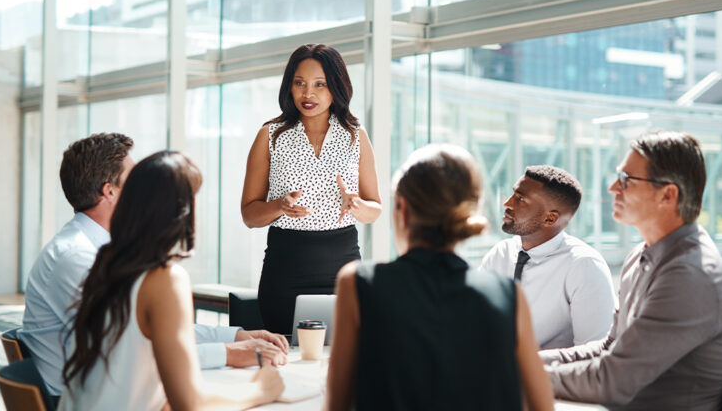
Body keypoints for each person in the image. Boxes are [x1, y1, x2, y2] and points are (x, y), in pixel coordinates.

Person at [20, 133, 288, 397]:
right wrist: (231, 356)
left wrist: (233, 337)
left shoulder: (105, 253)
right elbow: (132, 349)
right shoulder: (79, 257)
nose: (141, 192)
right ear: (109, 191)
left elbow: (153, 329)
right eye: (134, 182)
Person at [325, 144, 554, 411]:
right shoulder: (508, 295)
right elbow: (542, 406)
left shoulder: (358, 283)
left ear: (403, 210)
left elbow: (336, 406)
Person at [540, 132, 722, 410]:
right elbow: (608, 348)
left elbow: (613, 381)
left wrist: (523, 374)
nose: (613, 187)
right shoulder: (641, 256)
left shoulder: (690, 276)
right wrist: (527, 361)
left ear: (667, 195)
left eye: (626, 180)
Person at [241, 43, 382, 334]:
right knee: (284, 359)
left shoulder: (356, 136)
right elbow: (249, 216)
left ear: (336, 87)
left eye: (320, 84)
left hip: (343, 268)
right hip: (284, 271)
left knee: (344, 362)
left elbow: (375, 209)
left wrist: (356, 205)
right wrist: (279, 205)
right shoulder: (269, 136)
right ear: (289, 87)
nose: (308, 94)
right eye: (300, 83)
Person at [480, 165, 616, 349]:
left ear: (550, 219)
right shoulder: (499, 254)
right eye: (513, 194)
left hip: (549, 375)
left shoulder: (584, 266)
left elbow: (594, 352)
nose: (508, 204)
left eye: (520, 199)